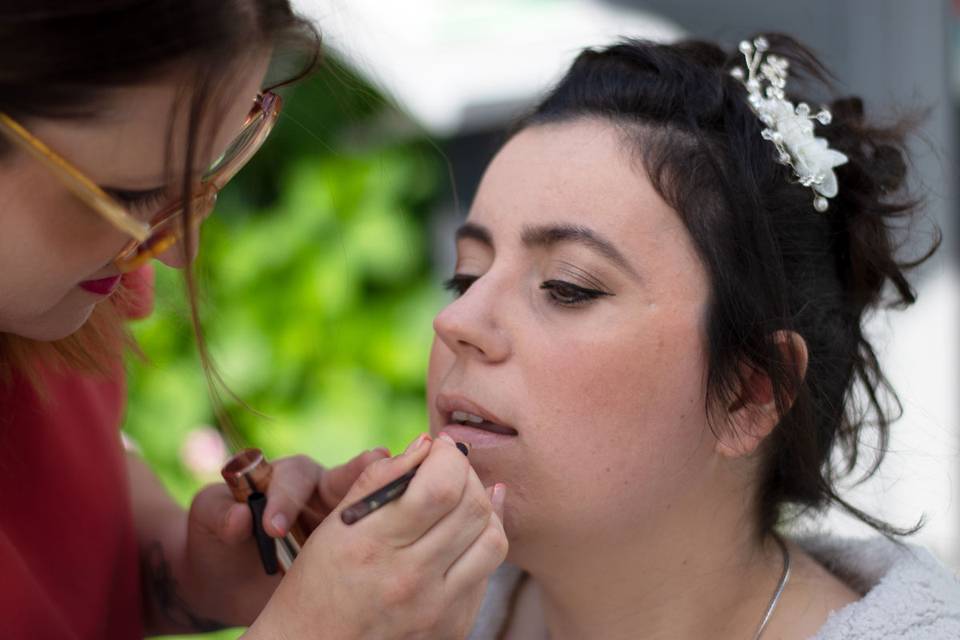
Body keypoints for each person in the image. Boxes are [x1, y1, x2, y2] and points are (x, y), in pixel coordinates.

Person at [426, 34, 960, 640]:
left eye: (568, 286)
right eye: (465, 276)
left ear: (749, 393)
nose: (457, 322)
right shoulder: (399, 613)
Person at [0, 2, 506, 638]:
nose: (176, 254)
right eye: (130, 196)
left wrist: (193, 574)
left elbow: (53, 530)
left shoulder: (50, 296)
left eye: (211, 168)